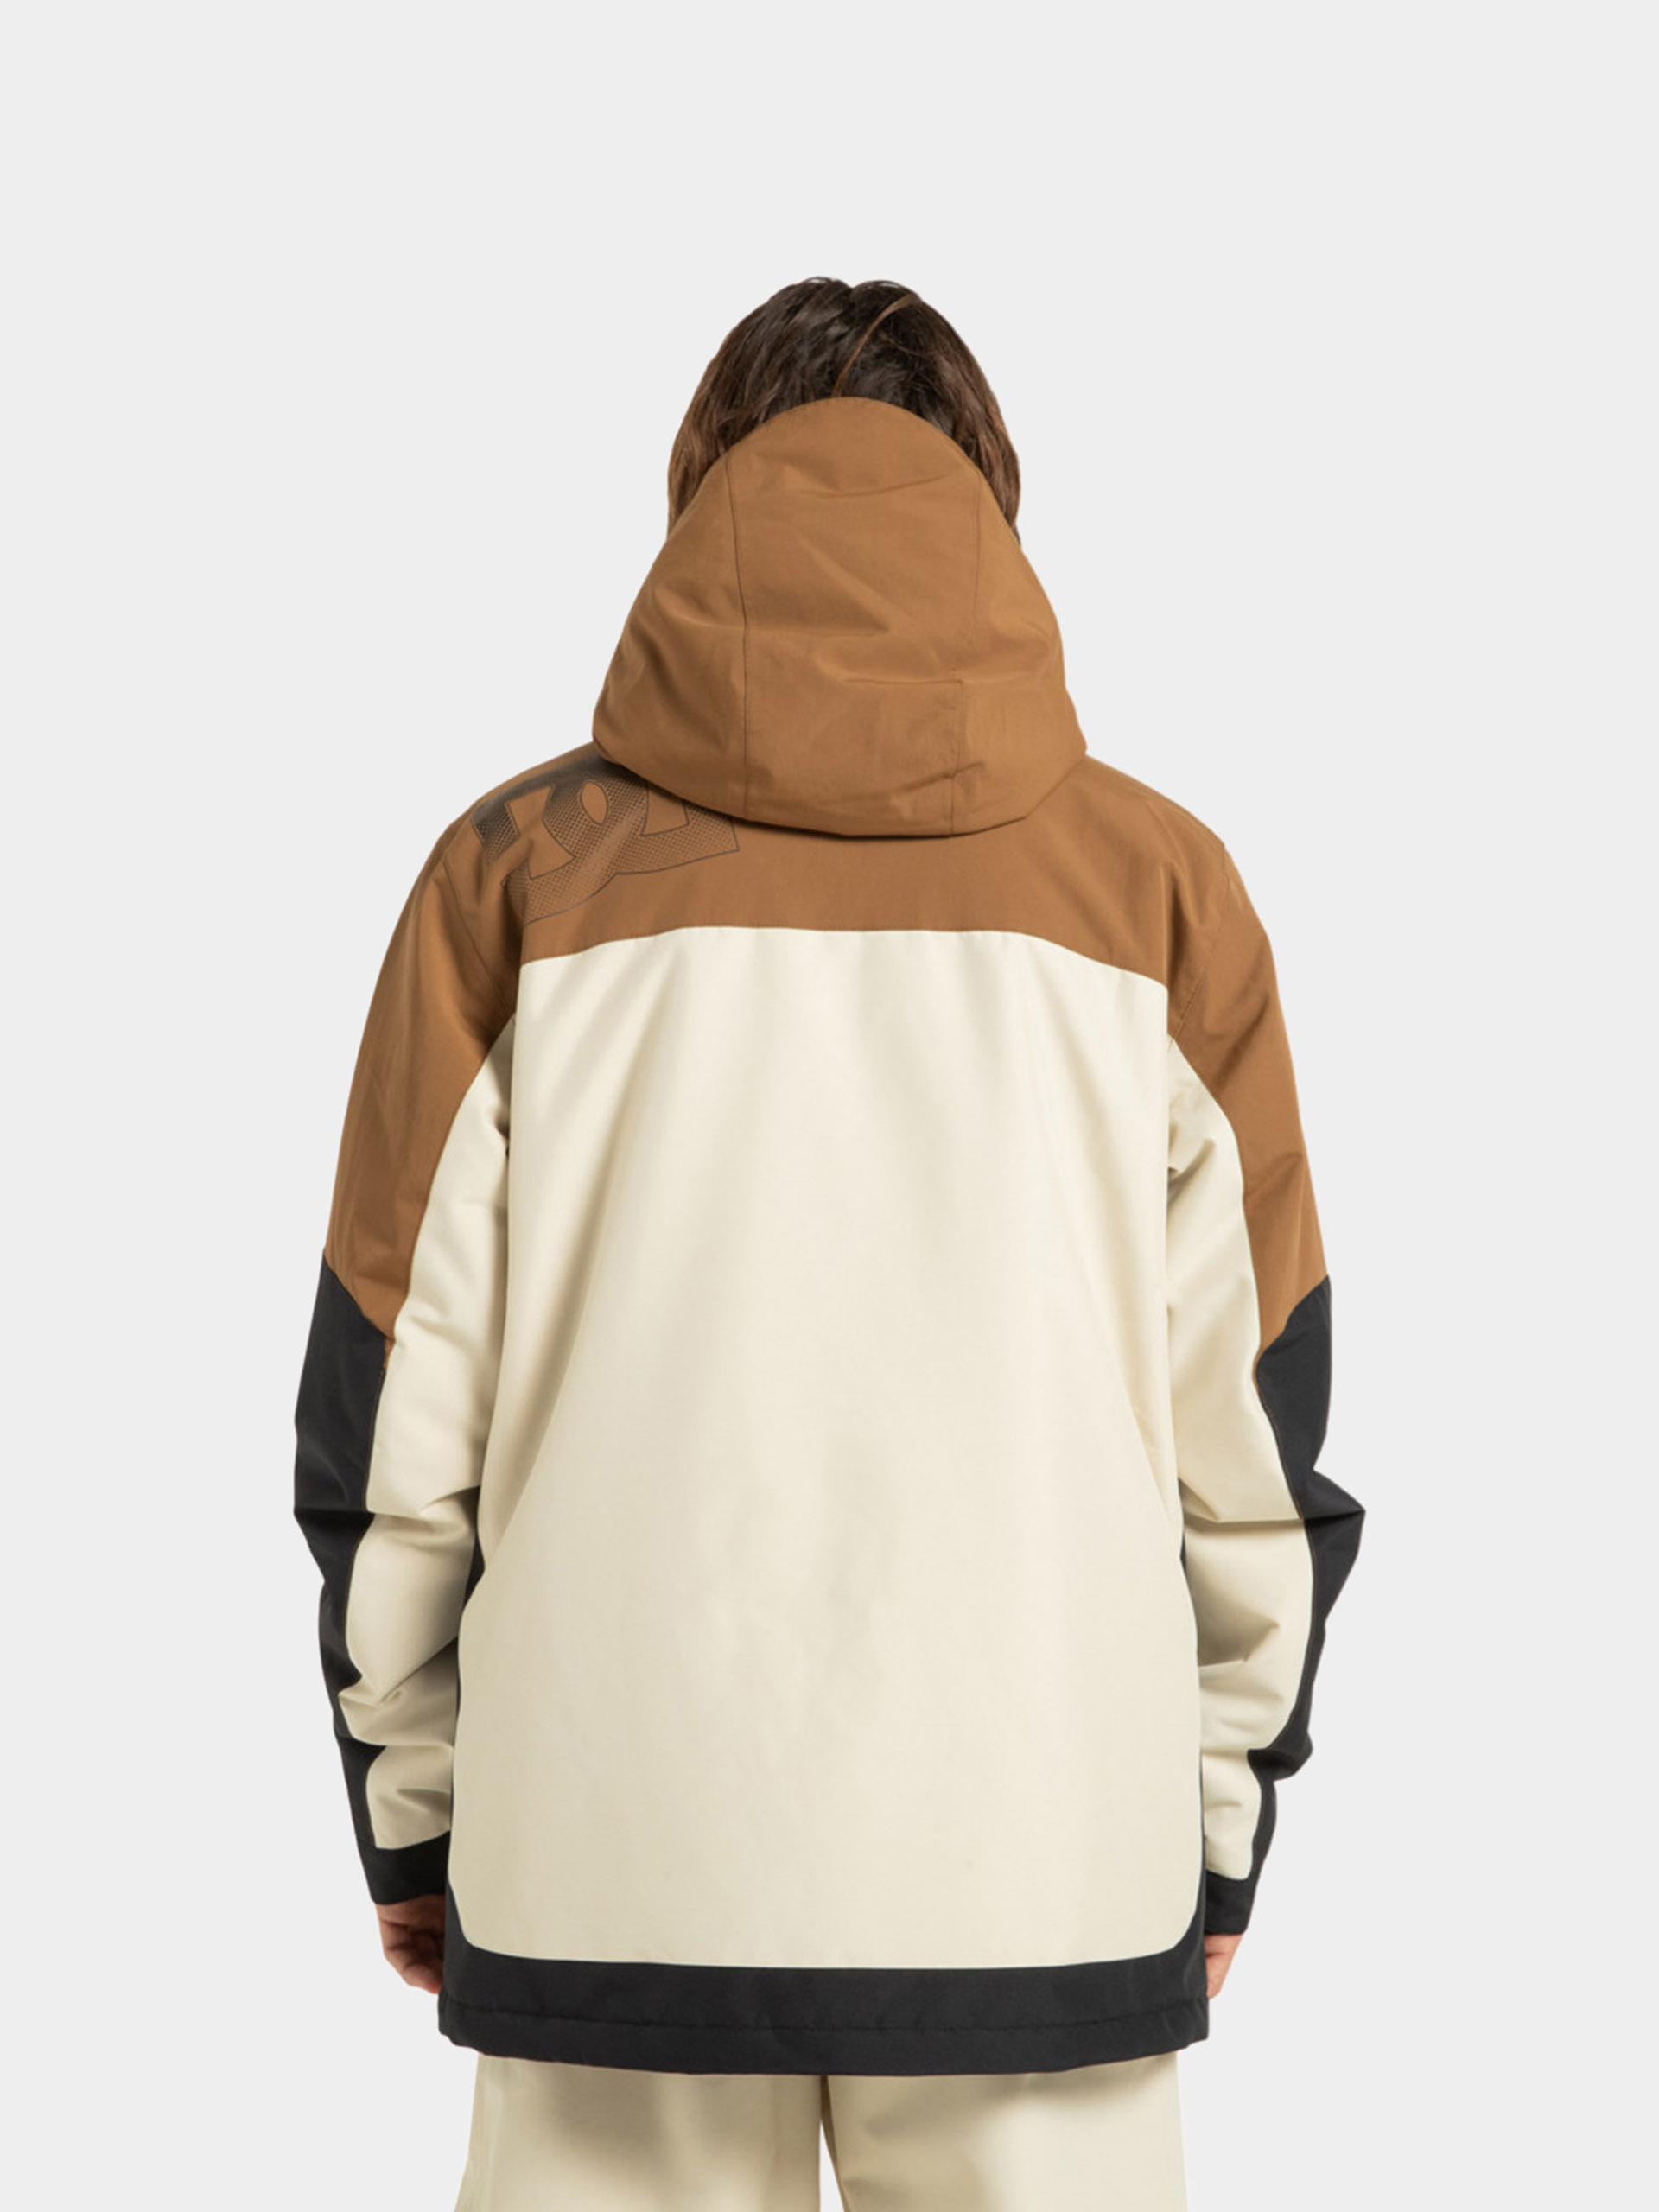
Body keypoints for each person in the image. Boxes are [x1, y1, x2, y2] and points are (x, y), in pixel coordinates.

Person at [293, 276, 1364, 2210]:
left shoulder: (515, 877)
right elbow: (1253, 1444)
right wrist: (1213, 1833)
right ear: (991, 508)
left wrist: (423, 1818)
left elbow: (393, 1417)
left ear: (699, 504)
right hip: (1046, 1869)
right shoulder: (1159, 894)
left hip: (609, 1859)